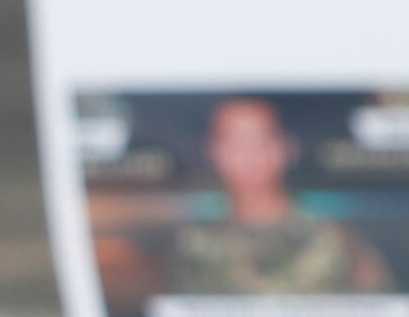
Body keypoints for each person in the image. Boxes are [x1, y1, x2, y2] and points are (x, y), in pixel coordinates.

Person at [167, 94, 393, 297]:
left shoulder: (336, 238)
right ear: (213, 151)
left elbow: (381, 316)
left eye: (261, 139)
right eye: (235, 142)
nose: (249, 155)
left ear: (286, 147)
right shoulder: (192, 244)